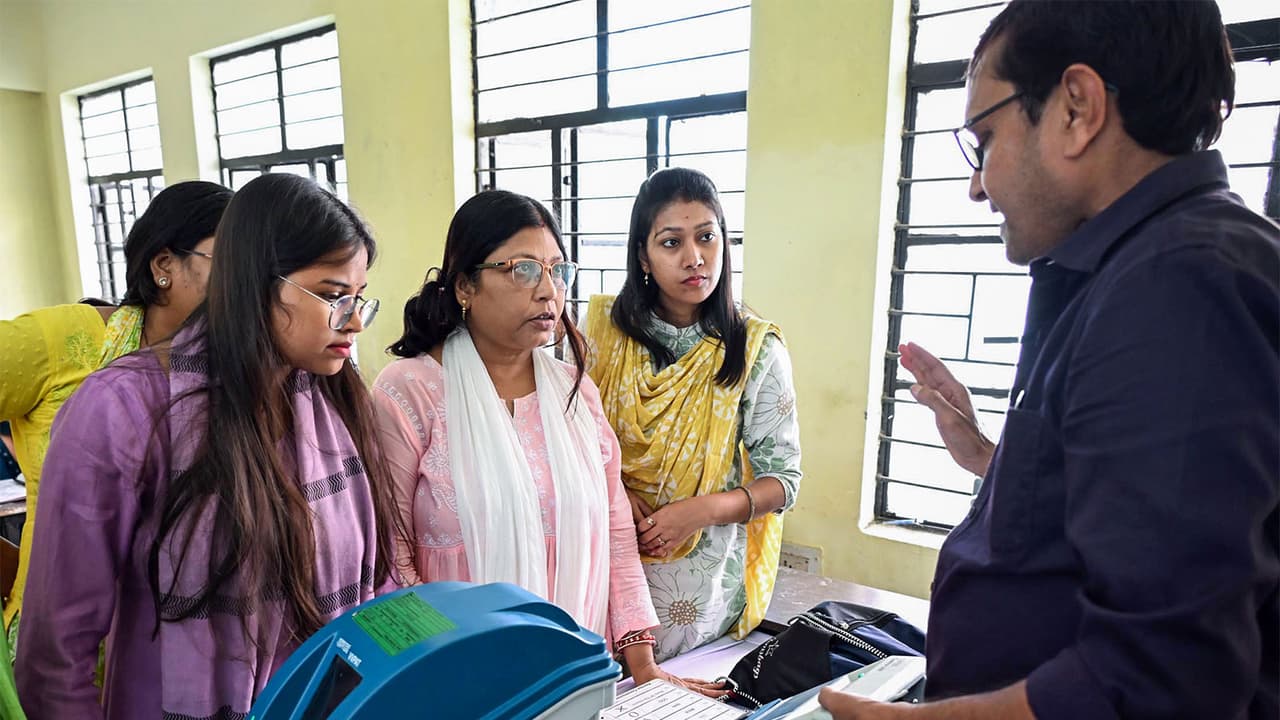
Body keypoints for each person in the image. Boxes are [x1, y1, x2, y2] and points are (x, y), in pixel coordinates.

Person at [819, 2, 1278, 718]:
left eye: (986, 137)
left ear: (1077, 107)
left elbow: (1160, 678)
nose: (978, 185)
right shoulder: (1129, 270)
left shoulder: (1178, 285)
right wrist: (991, 462)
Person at [15, 173, 401, 719]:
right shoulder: (123, 408)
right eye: (335, 297)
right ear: (253, 283)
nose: (356, 321)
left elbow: (376, 580)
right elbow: (57, 651)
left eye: (360, 298)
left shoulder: (334, 401)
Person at [373, 190, 720, 696]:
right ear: (465, 285)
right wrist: (443, 678)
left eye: (557, 270)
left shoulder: (574, 392)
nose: (548, 292)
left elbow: (616, 534)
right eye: (523, 270)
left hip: (571, 676)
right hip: (455, 681)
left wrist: (643, 666)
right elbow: (390, 555)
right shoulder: (409, 392)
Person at [0, 180, 232, 647]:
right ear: (164, 264)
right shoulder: (62, 339)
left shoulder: (239, 366)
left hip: (192, 646)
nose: (245, 284)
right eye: (227, 262)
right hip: (65, 640)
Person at [584, 167, 802, 661]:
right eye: (671, 242)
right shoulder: (599, 331)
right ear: (643, 254)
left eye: (707, 237)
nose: (694, 258)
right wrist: (614, 489)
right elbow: (568, 439)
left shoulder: (754, 349)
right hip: (605, 560)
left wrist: (698, 512)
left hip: (699, 590)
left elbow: (783, 480)